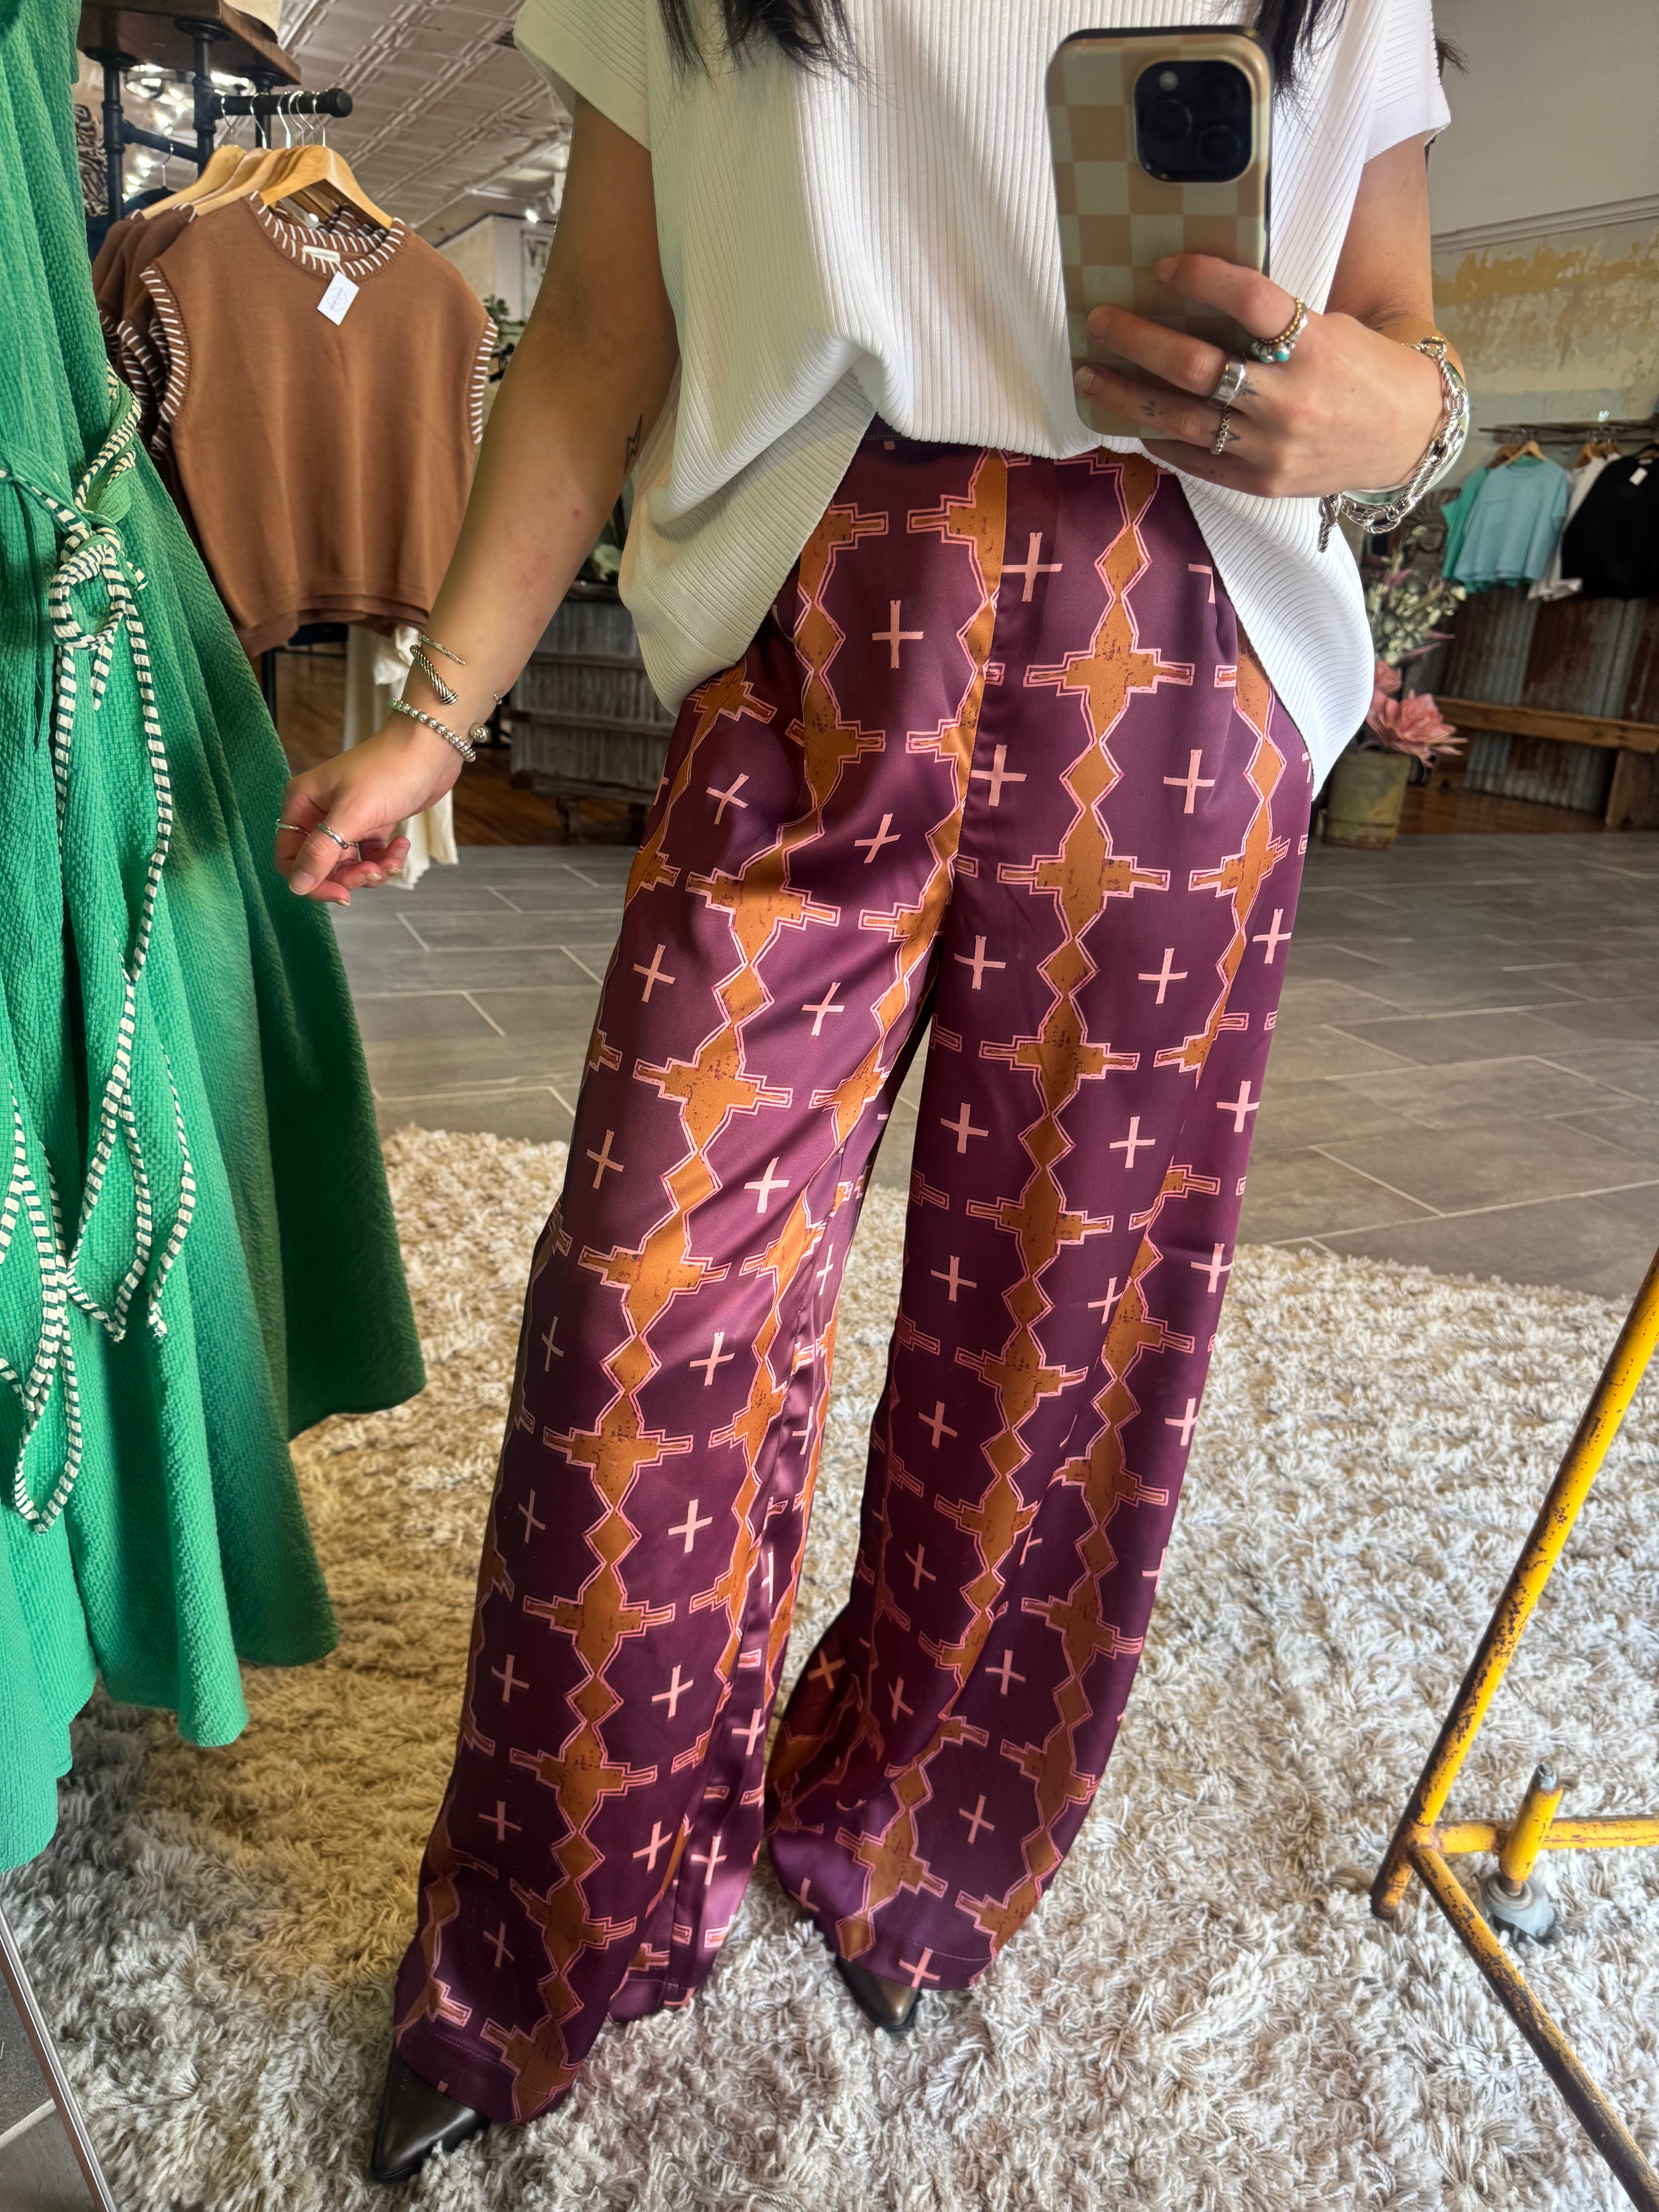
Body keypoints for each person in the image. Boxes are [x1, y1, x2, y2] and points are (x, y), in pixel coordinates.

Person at [273, 0, 1460, 2183]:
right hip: (817, 622)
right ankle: (553, 1925)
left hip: (1184, 641)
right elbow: (600, 333)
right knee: (638, 1301)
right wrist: (438, 717)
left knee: (1057, 1342)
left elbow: (1392, 322)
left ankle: (917, 1832)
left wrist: (1413, 408)